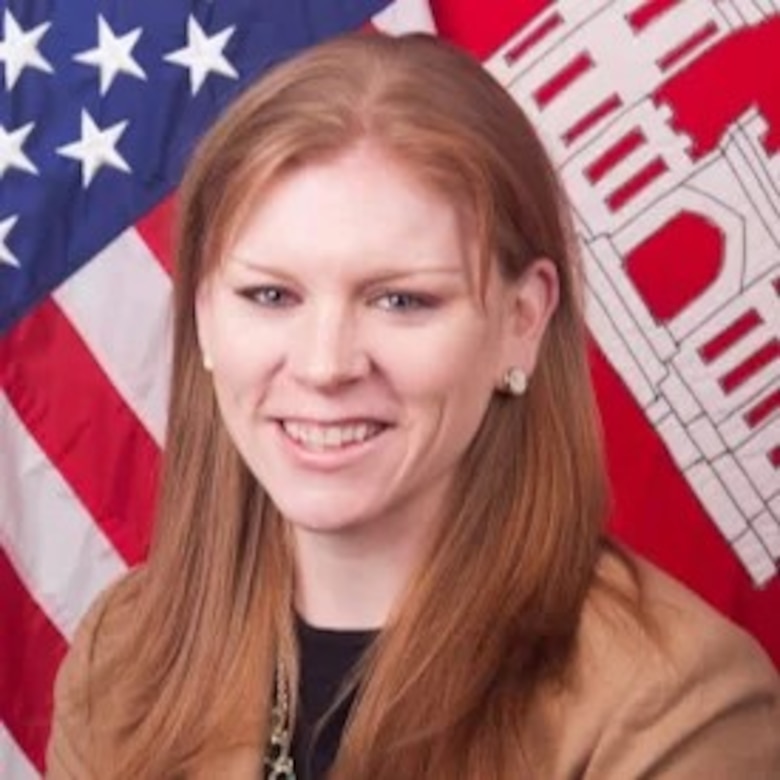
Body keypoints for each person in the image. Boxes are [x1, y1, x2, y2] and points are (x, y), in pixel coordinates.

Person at [46, 32, 780, 780]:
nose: (326, 365)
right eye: (271, 295)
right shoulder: (123, 656)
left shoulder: (676, 710)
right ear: (203, 314)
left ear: (522, 321)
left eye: (401, 300)